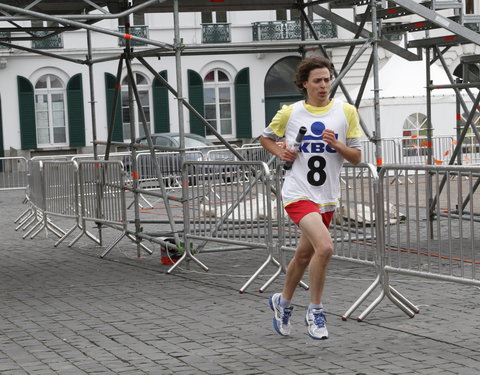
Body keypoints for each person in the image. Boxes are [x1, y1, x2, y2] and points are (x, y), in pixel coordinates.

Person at [260, 56, 363, 340]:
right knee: (326, 248)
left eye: (327, 79)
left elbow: (356, 157)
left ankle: (283, 302)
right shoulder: (290, 113)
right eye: (317, 80)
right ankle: (315, 311)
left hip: (327, 197)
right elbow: (265, 137)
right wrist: (281, 152)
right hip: (297, 192)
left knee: (305, 255)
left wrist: (337, 144)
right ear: (304, 84)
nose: (323, 85)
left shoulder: (346, 111)